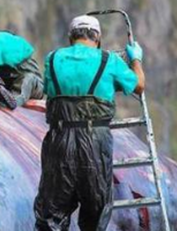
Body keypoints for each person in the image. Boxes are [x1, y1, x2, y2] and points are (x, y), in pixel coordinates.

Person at [34, 15, 145, 231]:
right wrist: (135, 59)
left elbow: (49, 90)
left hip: (59, 140)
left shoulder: (53, 58)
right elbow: (139, 85)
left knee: (51, 214)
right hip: (95, 142)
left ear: (71, 37)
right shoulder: (109, 60)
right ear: (98, 38)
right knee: (95, 213)